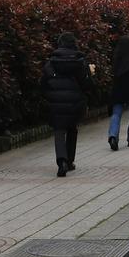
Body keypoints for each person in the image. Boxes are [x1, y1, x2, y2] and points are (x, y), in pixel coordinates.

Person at [41, 33, 92, 177]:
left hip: (56, 102)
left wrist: (49, 96)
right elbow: (86, 84)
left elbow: (43, 83)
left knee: (59, 130)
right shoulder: (80, 61)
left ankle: (61, 161)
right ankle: (69, 162)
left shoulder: (51, 62)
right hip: (75, 102)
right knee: (72, 129)